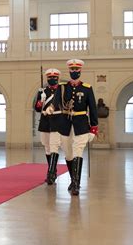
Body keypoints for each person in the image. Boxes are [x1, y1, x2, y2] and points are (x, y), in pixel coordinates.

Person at [46, 59, 98, 195]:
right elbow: (56, 101)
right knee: (68, 155)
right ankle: (72, 179)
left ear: (80, 71)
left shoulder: (87, 88)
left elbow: (93, 108)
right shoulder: (62, 86)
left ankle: (76, 184)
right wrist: (51, 107)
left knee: (78, 151)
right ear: (69, 71)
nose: (74, 72)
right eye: (72, 70)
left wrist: (94, 128)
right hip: (65, 124)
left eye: (77, 70)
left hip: (81, 124)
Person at [34, 68, 62, 183]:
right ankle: (53, 169)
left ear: (57, 78)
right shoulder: (42, 91)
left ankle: (51, 173)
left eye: (54, 77)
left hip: (57, 120)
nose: (52, 79)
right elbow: (37, 108)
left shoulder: (61, 90)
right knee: (47, 146)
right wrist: (40, 102)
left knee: (54, 146)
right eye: (50, 78)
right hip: (45, 120)